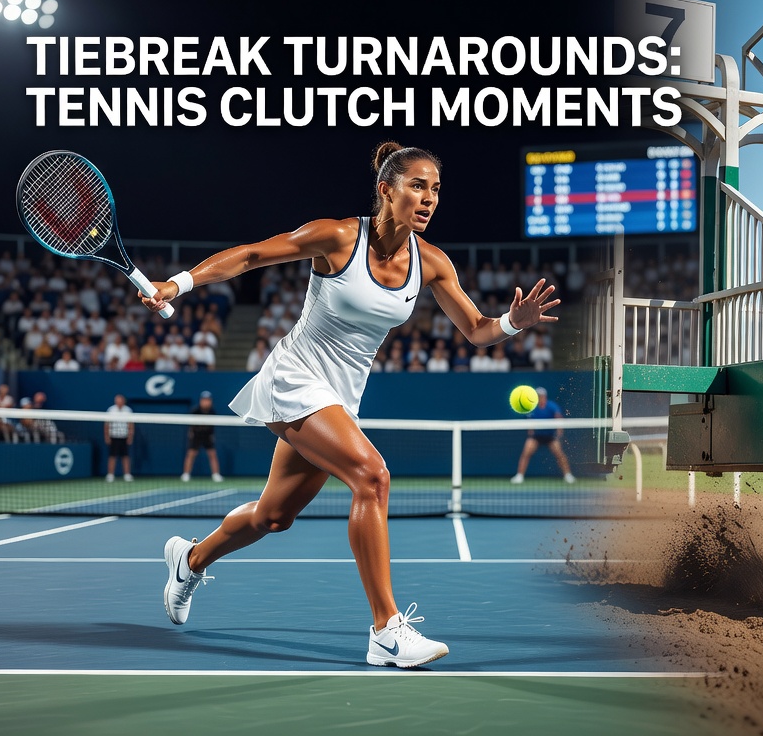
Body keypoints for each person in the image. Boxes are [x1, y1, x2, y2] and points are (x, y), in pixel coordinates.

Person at [142, 141, 558, 669]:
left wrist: (512, 324)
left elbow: (477, 330)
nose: (429, 198)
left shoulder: (432, 263)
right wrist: (177, 284)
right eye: (417, 185)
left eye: (435, 189)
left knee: (274, 517)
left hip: (338, 398)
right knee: (372, 476)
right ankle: (386, 630)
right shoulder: (337, 237)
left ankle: (191, 559)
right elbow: (250, 256)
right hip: (295, 379)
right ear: (387, 189)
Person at [510, 387, 575, 484]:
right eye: (538, 396)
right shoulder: (531, 407)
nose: (540, 397)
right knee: (525, 453)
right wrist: (531, 430)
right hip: (536, 436)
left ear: (545, 396)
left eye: (541, 396)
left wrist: (559, 430)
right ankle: (519, 476)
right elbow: (530, 420)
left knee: (560, 455)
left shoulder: (552, 406)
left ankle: (568, 475)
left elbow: (558, 417)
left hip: (550, 436)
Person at [182, 391, 223, 483]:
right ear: (201, 400)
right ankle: (186, 474)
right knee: (191, 454)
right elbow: (191, 425)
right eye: (204, 400)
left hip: (207, 436)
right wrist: (191, 435)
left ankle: (216, 475)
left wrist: (211, 436)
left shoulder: (212, 412)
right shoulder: (195, 411)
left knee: (212, 454)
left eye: (208, 400)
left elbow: (212, 426)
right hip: (196, 435)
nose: (206, 402)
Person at [105, 393, 134, 482]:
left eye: (120, 400)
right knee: (112, 456)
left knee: (125, 456)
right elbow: (106, 424)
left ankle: (127, 474)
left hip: (124, 436)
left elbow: (131, 424)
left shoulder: (128, 410)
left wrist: (130, 436)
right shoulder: (111, 410)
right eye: (117, 400)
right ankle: (110, 475)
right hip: (113, 436)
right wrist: (107, 436)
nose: (118, 402)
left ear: (123, 401)